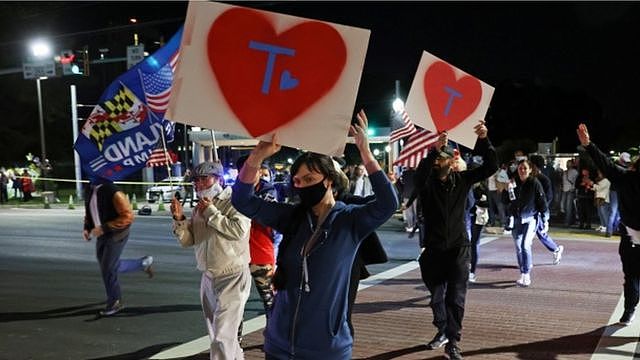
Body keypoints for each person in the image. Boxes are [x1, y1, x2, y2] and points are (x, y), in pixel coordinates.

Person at [231, 110, 397, 359]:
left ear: (329, 180)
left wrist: (366, 154)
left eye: (309, 178)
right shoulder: (291, 217)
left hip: (327, 348)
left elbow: (388, 203)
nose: (302, 186)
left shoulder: (350, 220)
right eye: (297, 181)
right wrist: (257, 156)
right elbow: (242, 200)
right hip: (278, 345)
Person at [414, 120, 497, 360]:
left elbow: (491, 166)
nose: (439, 161)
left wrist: (484, 139)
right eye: (436, 158)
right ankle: (441, 328)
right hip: (433, 251)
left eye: (443, 157)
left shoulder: (462, 181)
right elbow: (419, 178)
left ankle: (453, 341)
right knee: (437, 297)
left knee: (455, 298)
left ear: (452, 162)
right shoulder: (427, 185)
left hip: (459, 249)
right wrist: (432, 151)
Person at [170, 161, 251, 359]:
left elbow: (238, 230)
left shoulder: (234, 201)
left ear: (219, 180)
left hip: (232, 275)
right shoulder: (200, 207)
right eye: (195, 181)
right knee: (219, 334)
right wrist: (180, 220)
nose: (199, 184)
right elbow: (190, 241)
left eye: (204, 179)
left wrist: (211, 212)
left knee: (223, 336)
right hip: (208, 277)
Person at [577, 123, 640, 325]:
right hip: (630, 236)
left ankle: (629, 311)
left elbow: (606, 165)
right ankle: (629, 310)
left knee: (631, 278)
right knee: (631, 278)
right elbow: (607, 165)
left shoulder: (625, 177)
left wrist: (588, 145)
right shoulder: (625, 177)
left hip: (631, 236)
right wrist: (588, 145)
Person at [82, 177, 154, 317]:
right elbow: (89, 211)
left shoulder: (114, 192)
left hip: (116, 234)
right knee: (108, 266)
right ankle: (142, 263)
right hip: (101, 233)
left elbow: (128, 217)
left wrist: (104, 228)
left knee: (108, 268)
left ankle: (115, 301)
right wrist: (87, 227)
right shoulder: (90, 188)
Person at [529, 155, 565, 265]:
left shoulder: (544, 179)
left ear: (534, 166)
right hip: (528, 211)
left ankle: (556, 249)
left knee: (540, 234)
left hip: (538, 211)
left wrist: (542, 210)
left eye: (530, 164)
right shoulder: (528, 178)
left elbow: (549, 197)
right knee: (529, 236)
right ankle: (526, 261)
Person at [593, 170, 611, 235]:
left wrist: (593, 184)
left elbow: (599, 188)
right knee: (600, 213)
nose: (598, 175)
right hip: (599, 198)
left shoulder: (606, 180)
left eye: (599, 173)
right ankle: (603, 226)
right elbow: (596, 188)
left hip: (604, 199)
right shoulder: (600, 180)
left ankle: (606, 226)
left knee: (604, 214)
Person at [561, 159, 578, 227]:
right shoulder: (564, 172)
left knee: (568, 207)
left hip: (570, 191)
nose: (567, 165)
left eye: (569, 163)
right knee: (564, 206)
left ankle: (567, 222)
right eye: (567, 163)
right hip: (564, 190)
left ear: (572, 164)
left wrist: (573, 188)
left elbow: (575, 181)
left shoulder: (574, 172)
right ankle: (571, 220)